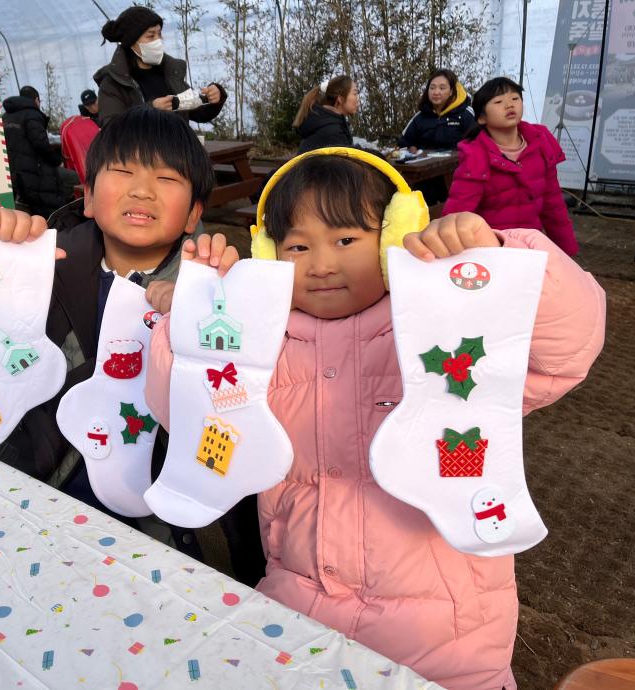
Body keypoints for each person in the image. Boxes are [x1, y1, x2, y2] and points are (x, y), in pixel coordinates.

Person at [142, 148, 606, 689]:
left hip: (446, 637)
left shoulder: (444, 327)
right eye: (297, 246)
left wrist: (495, 260)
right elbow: (185, 413)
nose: (321, 263)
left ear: (392, 239)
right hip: (297, 610)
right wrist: (191, 323)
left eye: (345, 240)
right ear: (268, 255)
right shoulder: (261, 343)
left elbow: (567, 347)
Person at [0, 107, 265, 587]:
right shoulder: (40, 270)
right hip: (40, 494)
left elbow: (240, 405)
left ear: (194, 214)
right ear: (90, 199)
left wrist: (219, 310)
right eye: (122, 171)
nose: (142, 189)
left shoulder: (210, 294)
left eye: (166, 177)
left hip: (155, 518)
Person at [443, 77, 580, 256]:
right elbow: (457, 215)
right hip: (491, 250)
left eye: (515, 98)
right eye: (498, 101)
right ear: (482, 118)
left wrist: (567, 253)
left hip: (530, 248)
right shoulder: (475, 157)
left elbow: (553, 206)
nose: (509, 105)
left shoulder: (541, 144)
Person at [94, 6, 226, 128]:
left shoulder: (169, 73)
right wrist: (150, 110)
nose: (158, 41)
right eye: (151, 36)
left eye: (159, 34)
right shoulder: (114, 83)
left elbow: (197, 112)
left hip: (178, 151)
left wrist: (214, 97)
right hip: (142, 154)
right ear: (131, 41)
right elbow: (111, 128)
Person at [2, 85, 80, 218]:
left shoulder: (6, 116)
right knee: (72, 177)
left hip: (14, 173)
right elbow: (41, 144)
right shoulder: (32, 114)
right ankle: (65, 210)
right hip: (33, 171)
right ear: (37, 100)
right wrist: (57, 161)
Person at [399, 69, 475, 152]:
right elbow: (404, 142)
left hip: (458, 163)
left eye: (442, 88)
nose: (436, 92)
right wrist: (411, 148)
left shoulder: (465, 113)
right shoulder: (420, 116)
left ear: (451, 91)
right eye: (432, 88)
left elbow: (478, 143)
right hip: (425, 163)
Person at [294, 76, 358, 154]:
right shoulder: (332, 134)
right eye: (354, 93)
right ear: (340, 99)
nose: (357, 98)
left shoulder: (324, 124)